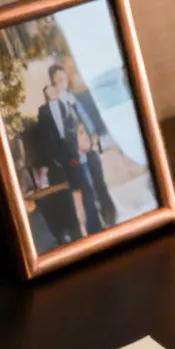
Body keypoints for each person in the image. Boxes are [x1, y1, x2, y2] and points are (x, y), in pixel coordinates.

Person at [43, 64, 113, 235]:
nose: (60, 83)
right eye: (56, 81)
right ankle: (95, 228)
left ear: (67, 79)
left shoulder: (76, 98)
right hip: (75, 157)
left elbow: (90, 119)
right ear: (52, 84)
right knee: (87, 192)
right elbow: (57, 136)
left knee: (100, 183)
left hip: (91, 150)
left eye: (62, 79)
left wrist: (94, 136)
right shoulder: (54, 107)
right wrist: (65, 157)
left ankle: (110, 215)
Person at [26, 86, 81, 245]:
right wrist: (51, 160)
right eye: (48, 91)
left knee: (78, 191)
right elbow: (44, 140)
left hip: (70, 159)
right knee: (62, 197)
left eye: (53, 90)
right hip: (55, 164)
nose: (52, 93)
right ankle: (68, 230)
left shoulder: (67, 107)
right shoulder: (43, 115)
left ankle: (77, 227)